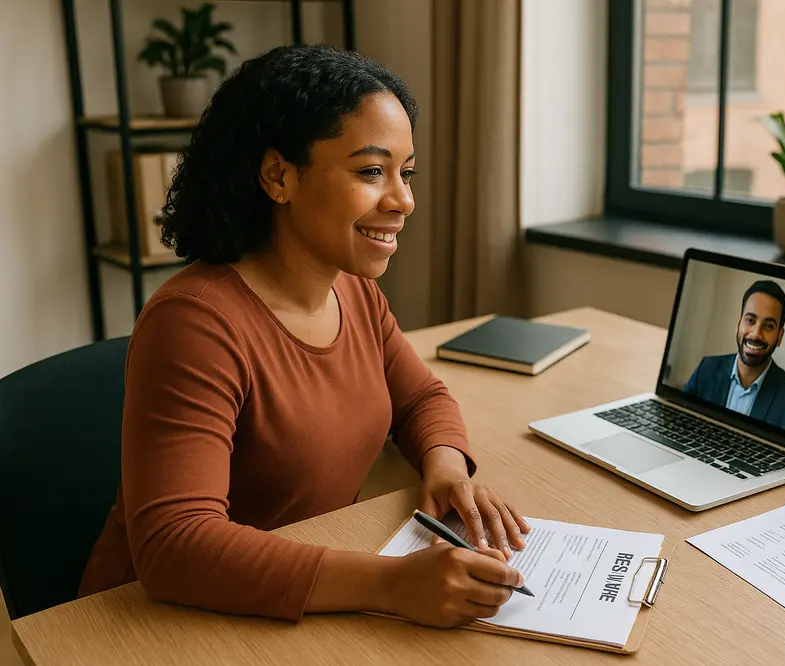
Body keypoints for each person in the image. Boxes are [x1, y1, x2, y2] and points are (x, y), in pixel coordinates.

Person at [77, 44, 530, 629]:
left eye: (405, 172)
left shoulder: (354, 291)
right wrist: (390, 584)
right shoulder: (194, 323)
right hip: (155, 625)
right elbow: (174, 546)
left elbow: (421, 399)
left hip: (285, 602)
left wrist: (446, 468)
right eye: (371, 171)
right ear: (278, 175)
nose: (404, 200)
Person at [682, 280, 785, 440]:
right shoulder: (706, 369)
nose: (756, 334)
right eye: (750, 320)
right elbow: (677, 420)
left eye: (768, 326)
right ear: (738, 324)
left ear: (779, 336)